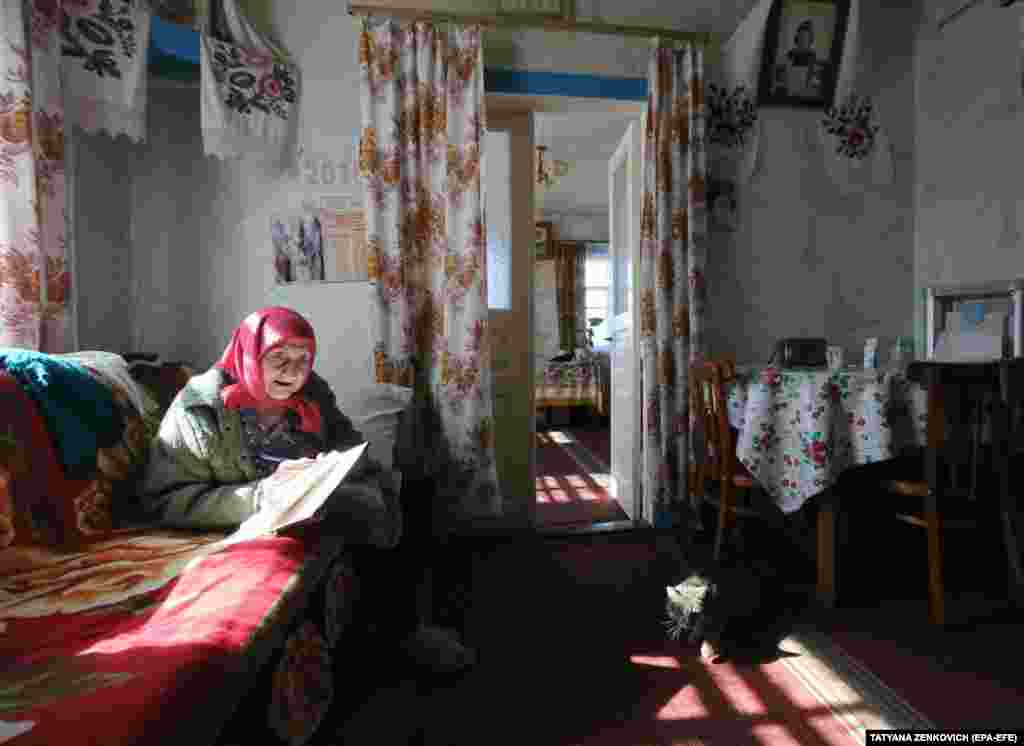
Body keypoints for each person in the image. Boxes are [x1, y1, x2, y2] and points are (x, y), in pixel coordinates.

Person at [139, 305, 475, 673]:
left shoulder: (313, 391)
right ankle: (394, 637)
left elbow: (349, 443)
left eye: (303, 359)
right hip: (241, 516)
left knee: (403, 491)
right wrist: (260, 498)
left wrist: (334, 469)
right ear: (249, 353)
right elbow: (164, 501)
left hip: (307, 503)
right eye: (279, 357)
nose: (293, 371)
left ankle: (408, 628)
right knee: (361, 510)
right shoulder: (199, 409)